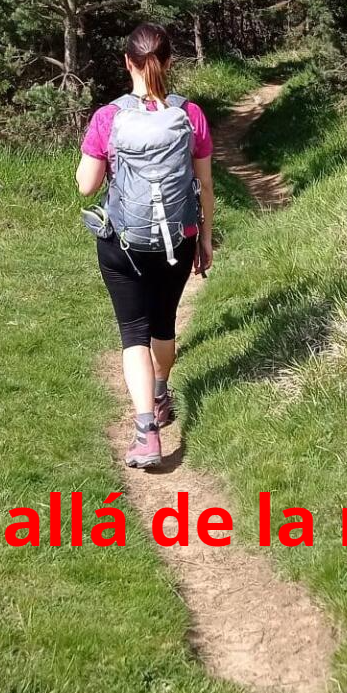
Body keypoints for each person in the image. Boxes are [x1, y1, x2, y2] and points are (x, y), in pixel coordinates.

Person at [76, 23, 216, 468]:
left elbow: (85, 186)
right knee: (163, 323)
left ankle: (145, 433)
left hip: (124, 243)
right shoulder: (190, 114)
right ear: (169, 62)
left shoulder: (107, 118)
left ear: (127, 62)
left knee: (132, 334)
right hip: (179, 239)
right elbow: (205, 185)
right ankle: (160, 395)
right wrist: (206, 239)